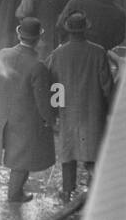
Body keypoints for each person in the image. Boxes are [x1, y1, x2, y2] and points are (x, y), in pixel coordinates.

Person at [46, 11, 114, 200]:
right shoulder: (98, 52)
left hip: (68, 110)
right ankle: (93, 191)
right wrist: (108, 109)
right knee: (93, 149)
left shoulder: (58, 54)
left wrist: (55, 111)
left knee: (68, 151)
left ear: (68, 31)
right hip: (93, 110)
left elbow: (54, 85)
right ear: (86, 30)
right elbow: (107, 85)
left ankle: (67, 190)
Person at [0, 17, 55, 203]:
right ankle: (15, 194)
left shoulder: (3, 54)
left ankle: (16, 191)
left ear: (19, 34)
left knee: (16, 154)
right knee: (23, 159)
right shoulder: (38, 66)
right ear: (38, 39)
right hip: (26, 118)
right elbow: (43, 101)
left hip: (6, 112)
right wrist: (49, 119)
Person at [55, 0, 126, 51]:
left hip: (72, 51)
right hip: (99, 55)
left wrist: (66, 44)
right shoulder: (118, 11)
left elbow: (60, 26)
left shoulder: (76, 1)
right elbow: (119, 39)